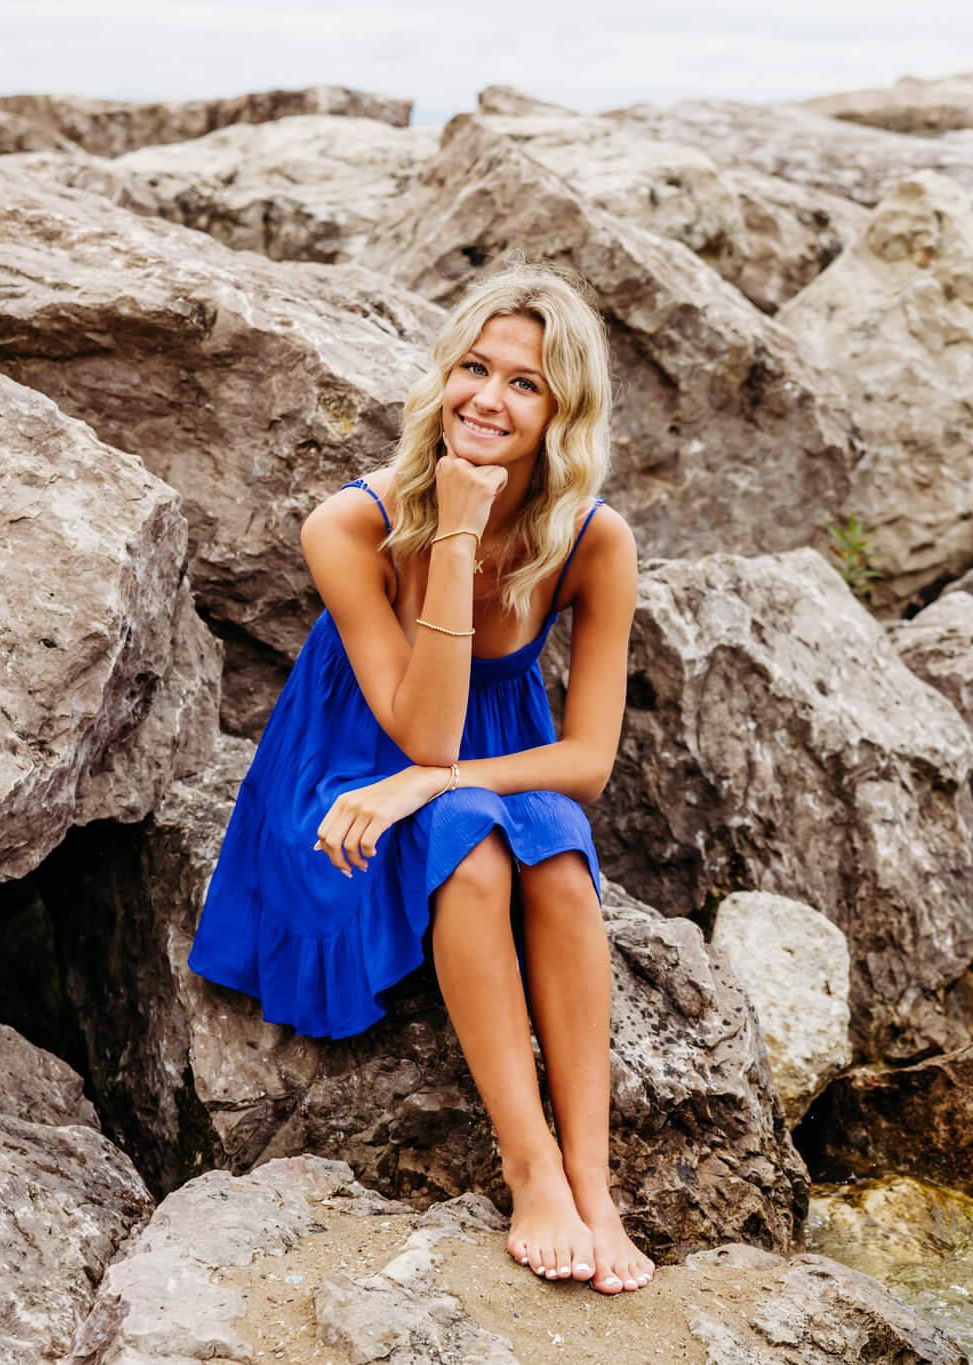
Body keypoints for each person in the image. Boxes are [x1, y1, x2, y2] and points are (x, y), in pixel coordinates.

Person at [186, 255, 652, 1294]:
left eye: (523, 383)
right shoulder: (349, 524)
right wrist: (451, 533)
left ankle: (593, 1179)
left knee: (561, 860)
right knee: (476, 858)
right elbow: (418, 724)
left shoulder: (593, 539)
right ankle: (530, 1171)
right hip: (350, 764)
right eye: (474, 370)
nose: (487, 399)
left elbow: (585, 763)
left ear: (560, 411)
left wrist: (432, 784)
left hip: (471, 768)